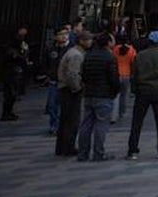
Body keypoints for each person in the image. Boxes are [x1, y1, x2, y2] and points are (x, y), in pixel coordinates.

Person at [126, 31, 158, 160]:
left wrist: (136, 89)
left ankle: (132, 150)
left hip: (142, 89)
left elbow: (134, 75)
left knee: (137, 121)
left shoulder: (140, 55)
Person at [77, 32, 120, 162]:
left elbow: (83, 75)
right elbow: (113, 78)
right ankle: (98, 153)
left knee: (86, 125)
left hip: (89, 93)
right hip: (104, 94)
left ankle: (83, 153)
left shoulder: (88, 55)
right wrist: (115, 91)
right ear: (108, 43)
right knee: (101, 125)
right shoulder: (109, 57)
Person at [56, 31, 91, 156]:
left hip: (65, 88)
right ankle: (68, 147)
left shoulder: (73, 52)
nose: (90, 42)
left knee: (65, 119)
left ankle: (61, 147)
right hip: (70, 90)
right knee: (71, 120)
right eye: (88, 40)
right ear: (81, 40)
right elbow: (72, 74)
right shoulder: (76, 55)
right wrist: (77, 88)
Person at [1, 24, 31, 121]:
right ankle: (6, 113)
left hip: (14, 71)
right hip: (10, 71)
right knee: (10, 94)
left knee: (12, 94)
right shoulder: (12, 47)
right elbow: (17, 57)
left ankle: (8, 112)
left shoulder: (21, 44)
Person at [43, 28, 70, 135]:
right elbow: (45, 62)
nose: (63, 36)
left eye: (65, 34)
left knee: (62, 105)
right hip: (54, 81)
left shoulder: (71, 49)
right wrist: (48, 73)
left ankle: (58, 125)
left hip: (65, 82)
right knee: (52, 104)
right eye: (61, 34)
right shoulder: (51, 49)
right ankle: (54, 124)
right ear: (55, 36)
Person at [110, 36, 136, 124]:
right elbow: (133, 62)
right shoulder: (132, 50)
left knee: (116, 95)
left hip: (116, 75)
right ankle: (122, 112)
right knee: (124, 96)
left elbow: (112, 60)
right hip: (126, 75)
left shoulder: (115, 49)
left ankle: (113, 116)